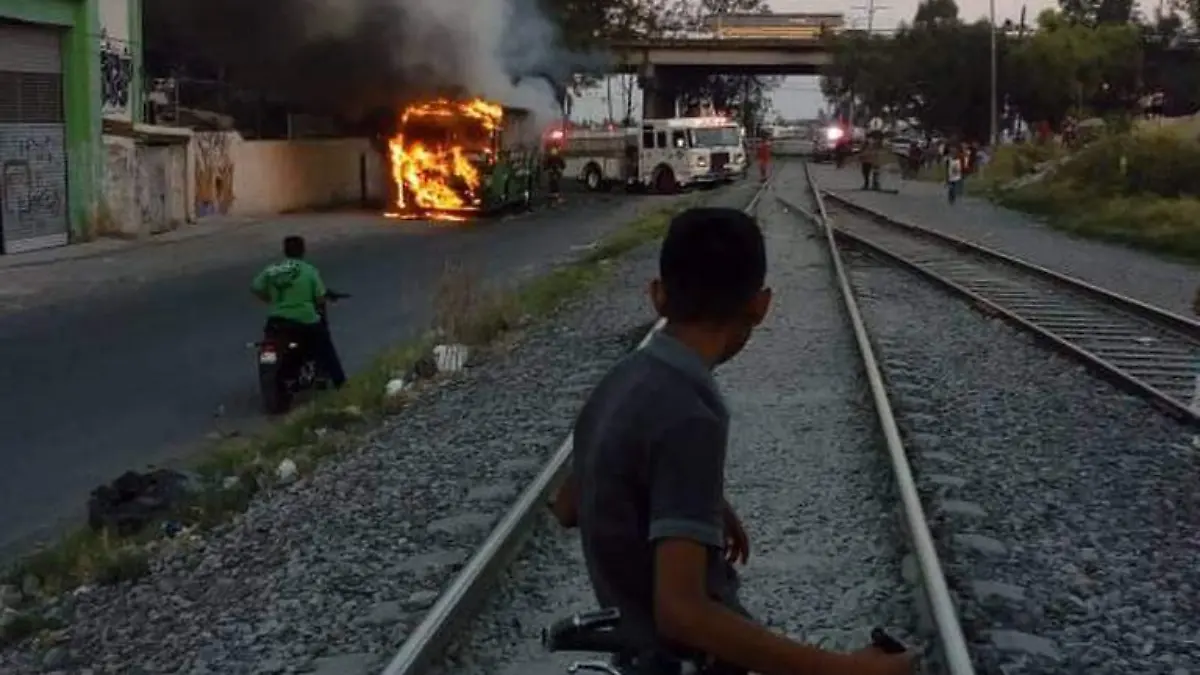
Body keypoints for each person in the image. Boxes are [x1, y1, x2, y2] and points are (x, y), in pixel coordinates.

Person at [548, 208, 914, 675]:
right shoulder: (690, 412)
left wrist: (694, 500)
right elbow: (683, 614)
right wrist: (843, 670)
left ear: (658, 296)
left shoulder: (624, 379)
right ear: (761, 305)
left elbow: (569, 504)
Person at [251, 235, 346, 388]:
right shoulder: (309, 270)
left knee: (267, 345)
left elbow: (256, 288)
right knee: (325, 346)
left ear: (285, 251)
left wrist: (272, 300)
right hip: (304, 321)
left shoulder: (271, 270)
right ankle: (340, 384)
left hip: (276, 321)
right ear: (303, 251)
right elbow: (320, 297)